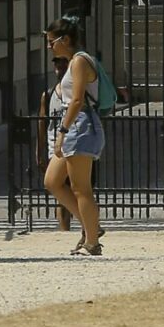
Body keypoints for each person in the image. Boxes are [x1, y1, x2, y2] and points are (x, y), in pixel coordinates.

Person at [41, 19, 104, 257]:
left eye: (51, 42)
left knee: (80, 188)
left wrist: (63, 131)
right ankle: (92, 227)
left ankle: (92, 242)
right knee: (52, 181)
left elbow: (77, 100)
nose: (49, 47)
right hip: (74, 124)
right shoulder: (74, 62)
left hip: (80, 126)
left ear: (65, 40)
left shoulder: (79, 61)